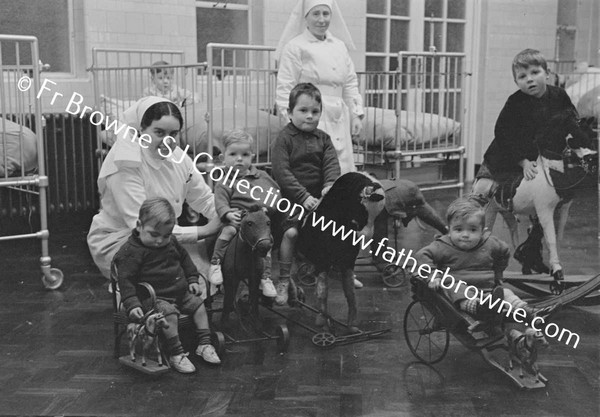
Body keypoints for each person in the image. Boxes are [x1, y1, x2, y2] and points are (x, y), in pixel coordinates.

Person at [87, 96, 220, 281]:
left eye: (173, 134)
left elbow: (203, 198)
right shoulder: (125, 163)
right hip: (124, 239)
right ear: (142, 129)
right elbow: (142, 226)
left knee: (200, 275)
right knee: (179, 276)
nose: (168, 141)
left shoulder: (180, 158)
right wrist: (204, 231)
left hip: (163, 237)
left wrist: (224, 214)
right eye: (159, 132)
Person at [114, 197, 220, 373]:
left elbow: (185, 259)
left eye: (166, 235)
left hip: (179, 292)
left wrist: (192, 279)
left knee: (199, 305)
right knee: (168, 313)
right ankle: (176, 353)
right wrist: (132, 304)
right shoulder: (131, 251)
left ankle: (204, 343)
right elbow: (125, 280)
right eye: (154, 235)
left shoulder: (170, 242)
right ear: (139, 225)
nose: (159, 241)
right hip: (152, 298)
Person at [415, 198, 556, 328]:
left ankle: (530, 313)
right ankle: (479, 309)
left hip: (486, 292)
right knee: (456, 288)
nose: (465, 234)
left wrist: (498, 273)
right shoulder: (443, 245)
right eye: (458, 229)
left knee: (506, 293)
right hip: (459, 291)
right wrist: (433, 275)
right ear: (449, 230)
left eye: (472, 230)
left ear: (482, 231)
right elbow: (422, 255)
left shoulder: (489, 243)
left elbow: (503, 251)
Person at [472, 48, 578, 202]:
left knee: (538, 196)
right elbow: (502, 134)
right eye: (522, 76)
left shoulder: (559, 96)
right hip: (504, 157)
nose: (529, 79)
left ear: (547, 73)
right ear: (516, 82)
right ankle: (467, 222)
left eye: (535, 73)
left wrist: (571, 143)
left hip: (539, 157)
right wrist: (522, 162)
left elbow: (572, 120)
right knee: (481, 191)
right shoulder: (515, 102)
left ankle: (534, 223)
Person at [275, 0, 364, 176]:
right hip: (312, 116)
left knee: (343, 167)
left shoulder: (339, 46)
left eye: (326, 13)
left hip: (339, 116)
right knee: (318, 168)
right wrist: (292, 123)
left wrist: (355, 114)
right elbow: (285, 88)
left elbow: (350, 83)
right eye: (316, 14)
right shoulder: (295, 47)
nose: (321, 20)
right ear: (306, 17)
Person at [271, 82, 340, 305]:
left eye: (315, 111)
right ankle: (283, 278)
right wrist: (302, 197)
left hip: (319, 197)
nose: (309, 116)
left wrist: (330, 185)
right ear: (290, 112)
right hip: (292, 198)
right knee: (291, 233)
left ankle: (337, 270)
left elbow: (331, 164)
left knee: (335, 230)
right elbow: (282, 172)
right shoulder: (284, 138)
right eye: (303, 110)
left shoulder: (324, 139)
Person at [207, 129, 280, 298]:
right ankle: (216, 263)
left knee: (266, 240)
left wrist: (268, 208)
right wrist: (227, 214)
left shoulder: (261, 176)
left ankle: (265, 276)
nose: (239, 159)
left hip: (258, 220)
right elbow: (220, 200)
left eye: (245, 154)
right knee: (228, 231)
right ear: (222, 158)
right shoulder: (225, 180)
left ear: (252, 157)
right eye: (233, 154)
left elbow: (275, 193)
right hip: (237, 219)